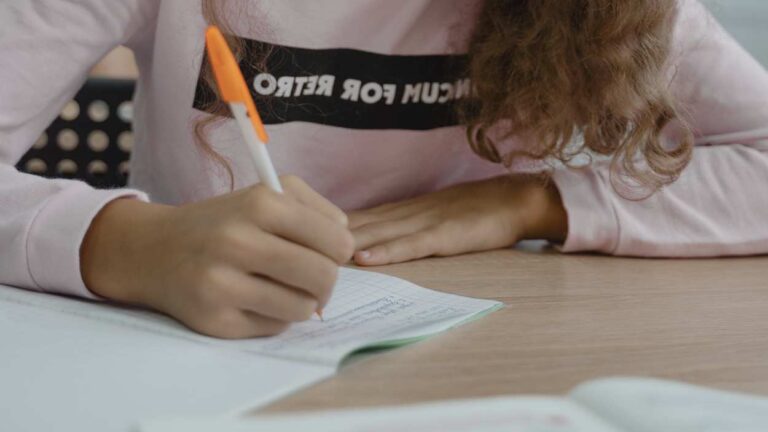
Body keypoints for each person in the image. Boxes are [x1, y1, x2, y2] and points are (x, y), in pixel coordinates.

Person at [1, 0, 766, 338]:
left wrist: (533, 203)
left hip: (483, 357)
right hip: (211, 358)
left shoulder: (622, 11)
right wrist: (132, 244)